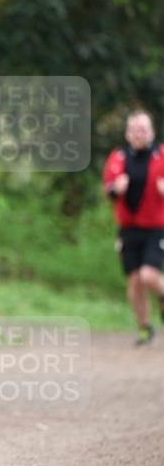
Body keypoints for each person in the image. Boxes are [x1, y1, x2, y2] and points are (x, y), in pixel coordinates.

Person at [103, 110, 164, 345]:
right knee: (135, 280)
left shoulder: (161, 155)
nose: (140, 134)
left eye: (144, 129)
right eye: (135, 130)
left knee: (149, 275)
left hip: (157, 227)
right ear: (128, 134)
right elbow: (108, 189)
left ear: (152, 132)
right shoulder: (117, 158)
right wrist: (115, 189)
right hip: (128, 229)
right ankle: (145, 327)